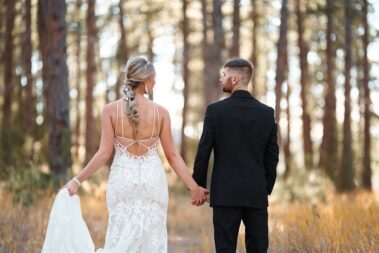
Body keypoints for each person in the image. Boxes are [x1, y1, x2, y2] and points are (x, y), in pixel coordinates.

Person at [41, 56, 208, 253]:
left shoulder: (110, 111)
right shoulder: (161, 113)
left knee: (120, 236)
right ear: (145, 80)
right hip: (152, 182)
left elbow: (103, 153)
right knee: (151, 240)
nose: (155, 82)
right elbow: (172, 155)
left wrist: (76, 181)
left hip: (122, 182)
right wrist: (194, 187)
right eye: (154, 78)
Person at [193, 58, 279, 253]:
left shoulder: (215, 111)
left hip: (225, 194)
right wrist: (265, 187)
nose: (221, 79)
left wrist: (198, 186)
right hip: (256, 193)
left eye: (224, 75)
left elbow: (204, 151)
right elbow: (272, 156)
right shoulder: (266, 113)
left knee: (225, 249)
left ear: (234, 80)